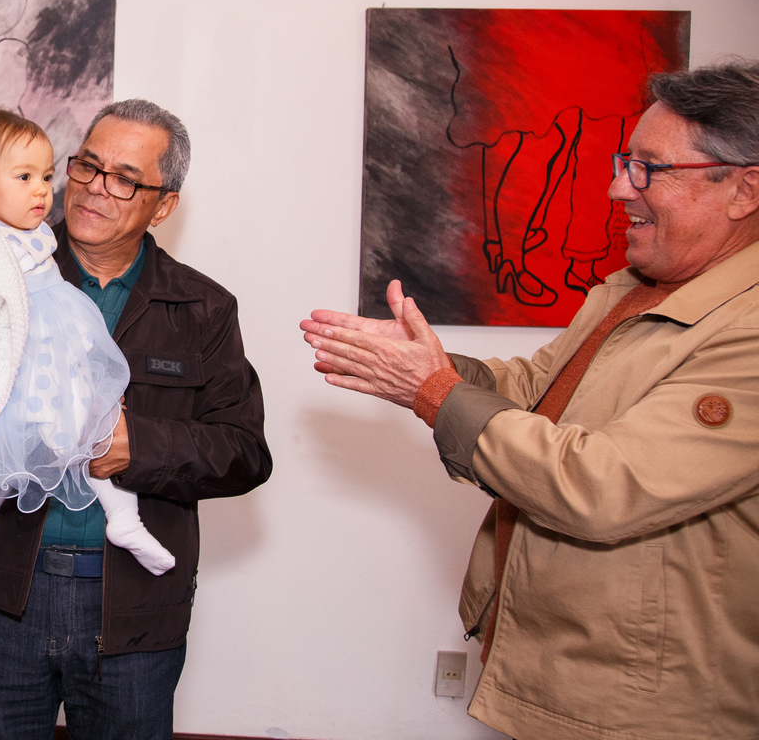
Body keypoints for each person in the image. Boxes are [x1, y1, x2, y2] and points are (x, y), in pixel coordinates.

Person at [301, 60, 759, 739]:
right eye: (622, 163)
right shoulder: (630, 289)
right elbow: (536, 392)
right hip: (568, 671)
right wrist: (423, 367)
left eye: (647, 170)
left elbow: (603, 485)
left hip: (649, 705)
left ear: (744, 189)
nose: (615, 188)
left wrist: (432, 390)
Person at [0, 98, 272, 738]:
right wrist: (3, 425)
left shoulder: (202, 308)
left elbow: (244, 451)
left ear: (163, 205)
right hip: (3, 593)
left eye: (124, 178)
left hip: (131, 607)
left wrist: (136, 447)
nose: (95, 189)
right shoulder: (0, 264)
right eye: (87, 166)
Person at [0, 108, 175, 630]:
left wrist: (84, 375)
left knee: (94, 432)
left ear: (164, 205)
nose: (43, 192)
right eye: (25, 177)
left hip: (51, 364)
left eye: (48, 176)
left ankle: (124, 519)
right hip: (3, 378)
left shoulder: (33, 235)